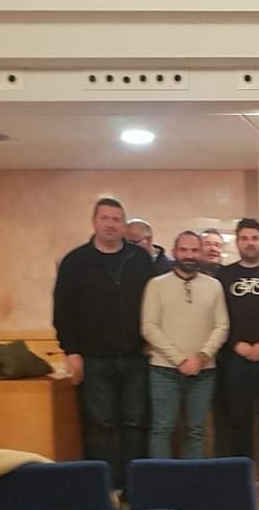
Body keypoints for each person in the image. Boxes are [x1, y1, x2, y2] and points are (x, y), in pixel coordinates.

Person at [52, 196, 155, 491]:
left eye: (116, 219)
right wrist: (71, 351)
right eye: (105, 218)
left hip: (136, 356)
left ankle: (134, 488)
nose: (111, 224)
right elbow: (63, 311)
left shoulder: (140, 260)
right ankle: (105, 490)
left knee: (135, 424)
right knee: (100, 426)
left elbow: (154, 303)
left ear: (124, 225)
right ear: (94, 222)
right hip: (93, 358)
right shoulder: (75, 261)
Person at [140, 230, 228, 459]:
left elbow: (222, 326)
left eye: (194, 250)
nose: (189, 255)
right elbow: (149, 327)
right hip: (164, 370)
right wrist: (179, 360)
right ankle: (160, 488)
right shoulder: (156, 285)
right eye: (184, 250)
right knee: (162, 429)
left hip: (204, 370)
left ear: (200, 253)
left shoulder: (214, 286)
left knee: (196, 431)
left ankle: (194, 487)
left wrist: (201, 357)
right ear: (174, 252)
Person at [217, 218, 259, 499]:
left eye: (255, 237)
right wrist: (236, 345)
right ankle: (241, 477)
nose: (250, 242)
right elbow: (217, 317)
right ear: (237, 241)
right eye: (244, 238)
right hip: (235, 357)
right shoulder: (222, 276)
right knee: (238, 420)